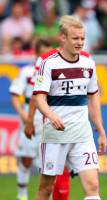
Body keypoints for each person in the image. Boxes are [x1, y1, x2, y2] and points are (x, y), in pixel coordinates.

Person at [33, 15, 107, 200]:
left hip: (82, 135)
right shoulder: (48, 64)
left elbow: (93, 99)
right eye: (75, 38)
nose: (80, 42)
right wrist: (51, 115)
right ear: (63, 38)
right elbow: (39, 98)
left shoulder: (89, 64)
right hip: (55, 135)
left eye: (82, 38)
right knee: (46, 188)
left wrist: (100, 131)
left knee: (93, 186)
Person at [24, 48, 71, 199]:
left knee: (65, 172)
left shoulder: (83, 60)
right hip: (48, 126)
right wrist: (30, 120)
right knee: (46, 177)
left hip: (71, 126)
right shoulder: (44, 64)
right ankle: (22, 193)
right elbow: (36, 96)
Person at [9, 39, 52, 200]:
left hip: (49, 114)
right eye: (44, 52)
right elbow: (15, 94)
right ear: (36, 53)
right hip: (31, 114)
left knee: (49, 159)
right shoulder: (27, 72)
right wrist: (23, 115)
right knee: (26, 157)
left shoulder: (54, 71)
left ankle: (48, 194)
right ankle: (22, 194)